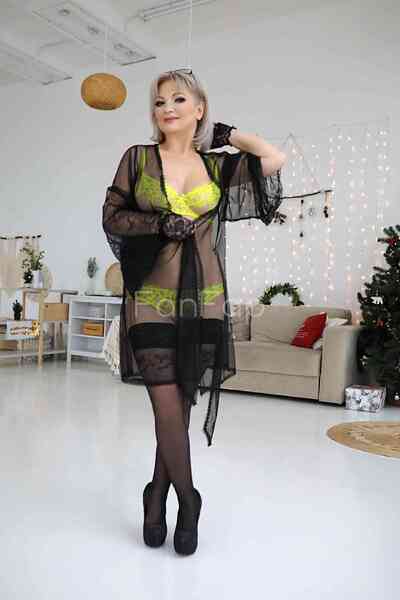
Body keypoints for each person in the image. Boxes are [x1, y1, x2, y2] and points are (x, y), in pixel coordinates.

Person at [102, 69, 285, 555]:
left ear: (199, 108)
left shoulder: (217, 166)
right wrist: (160, 223)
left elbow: (273, 159)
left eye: (179, 99)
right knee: (166, 406)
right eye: (159, 101)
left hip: (204, 298)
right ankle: (189, 499)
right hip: (149, 299)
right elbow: (112, 216)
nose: (167, 108)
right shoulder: (138, 158)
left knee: (180, 409)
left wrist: (229, 135)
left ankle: (156, 493)